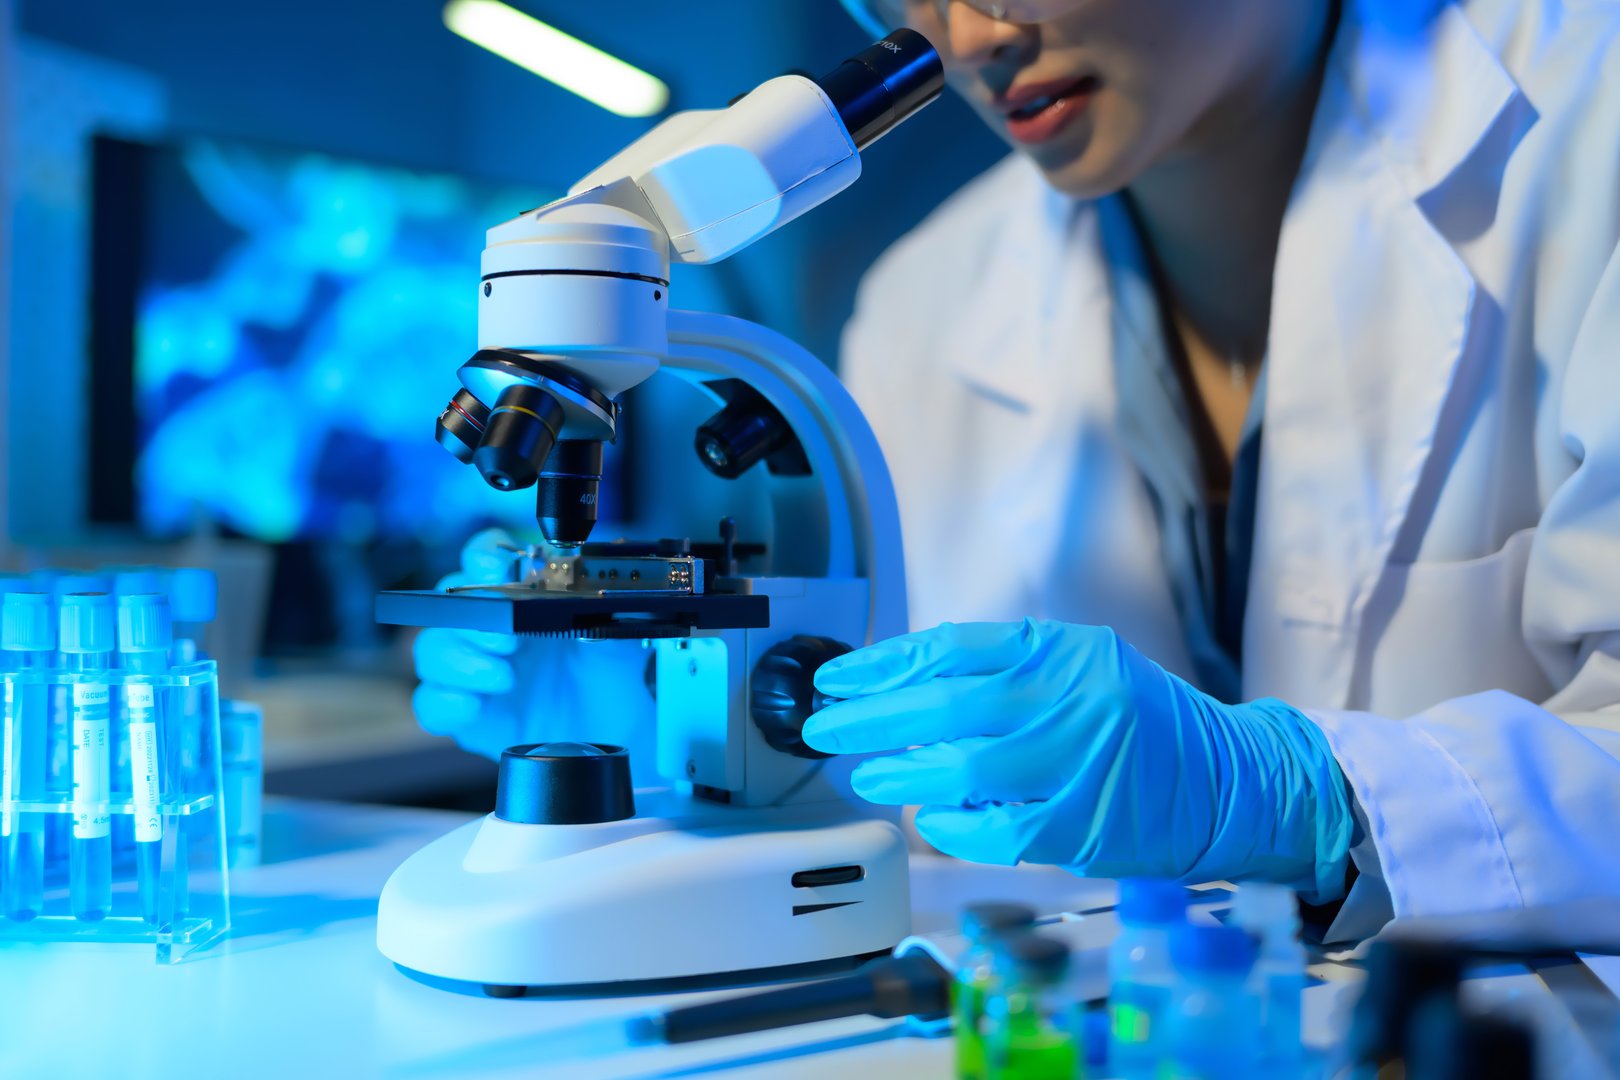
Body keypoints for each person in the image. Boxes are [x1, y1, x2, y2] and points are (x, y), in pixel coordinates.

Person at [415, 0, 1620, 937]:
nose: (971, 36)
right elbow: (898, 768)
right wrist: (632, 706)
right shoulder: (928, 295)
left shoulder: (1591, 118)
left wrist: (1310, 800)